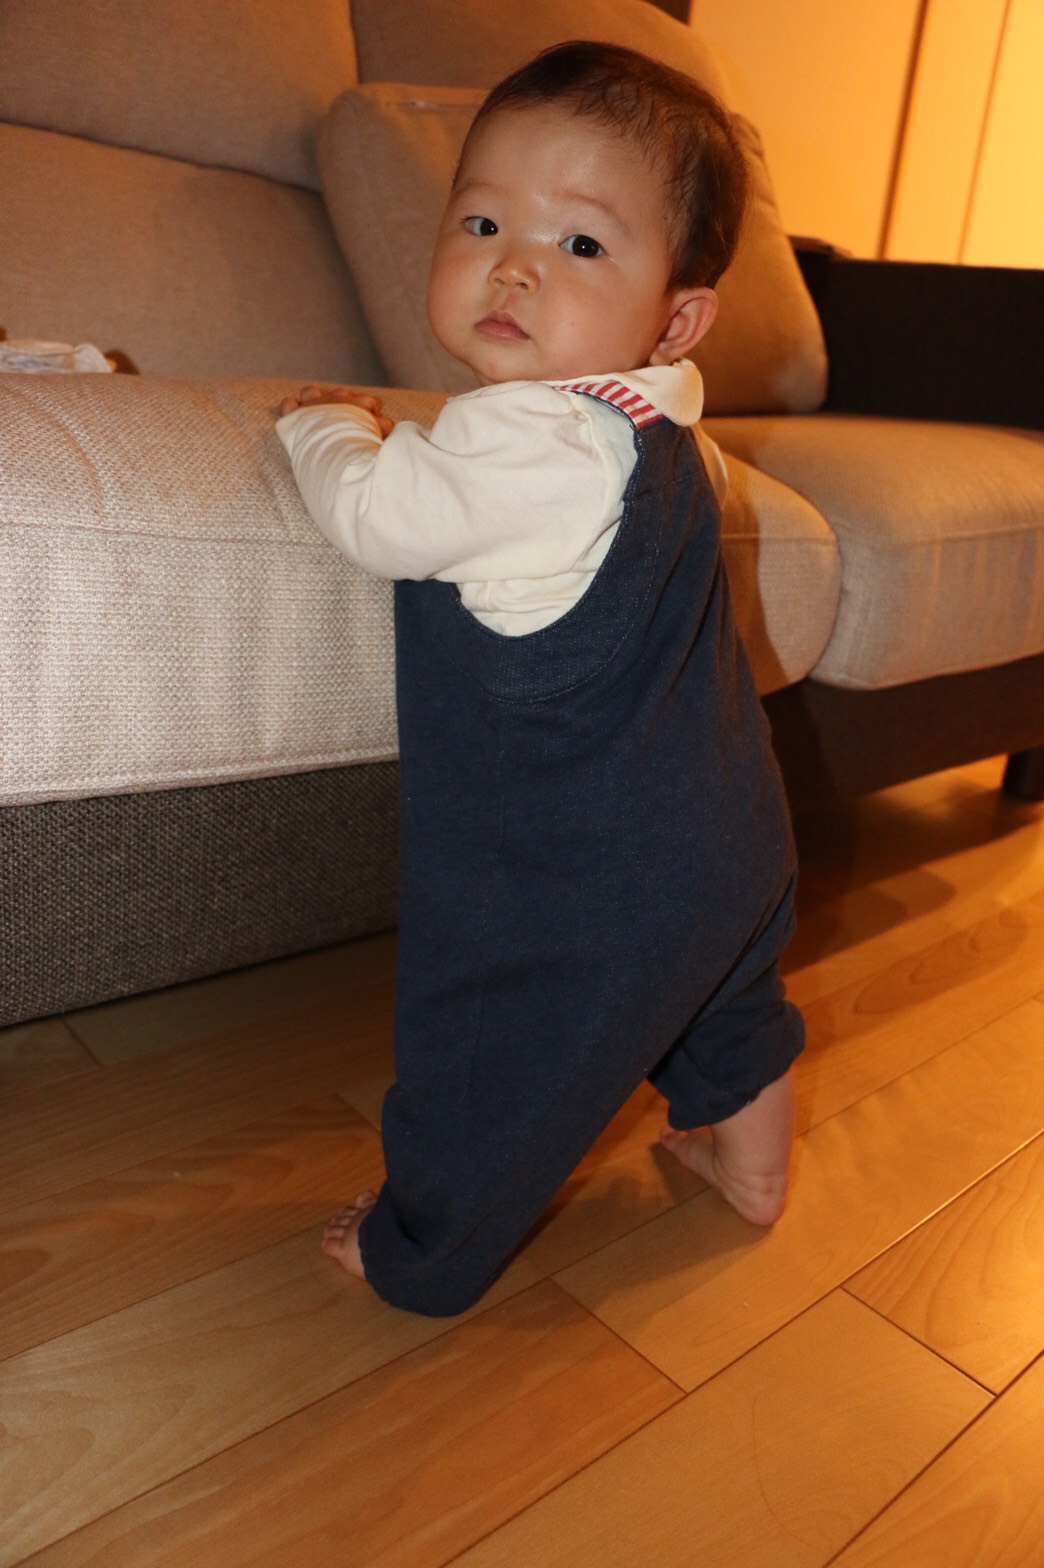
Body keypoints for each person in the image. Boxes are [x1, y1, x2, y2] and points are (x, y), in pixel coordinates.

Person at [275, 40, 804, 1317]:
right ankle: (751, 1165)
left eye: (580, 244)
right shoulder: (665, 430)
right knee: (726, 997)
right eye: (482, 222)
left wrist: (324, 426)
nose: (514, 265)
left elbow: (380, 514)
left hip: (578, 877)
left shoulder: (528, 438)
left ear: (676, 317)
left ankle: (420, 1249)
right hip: (732, 830)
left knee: (485, 1055)